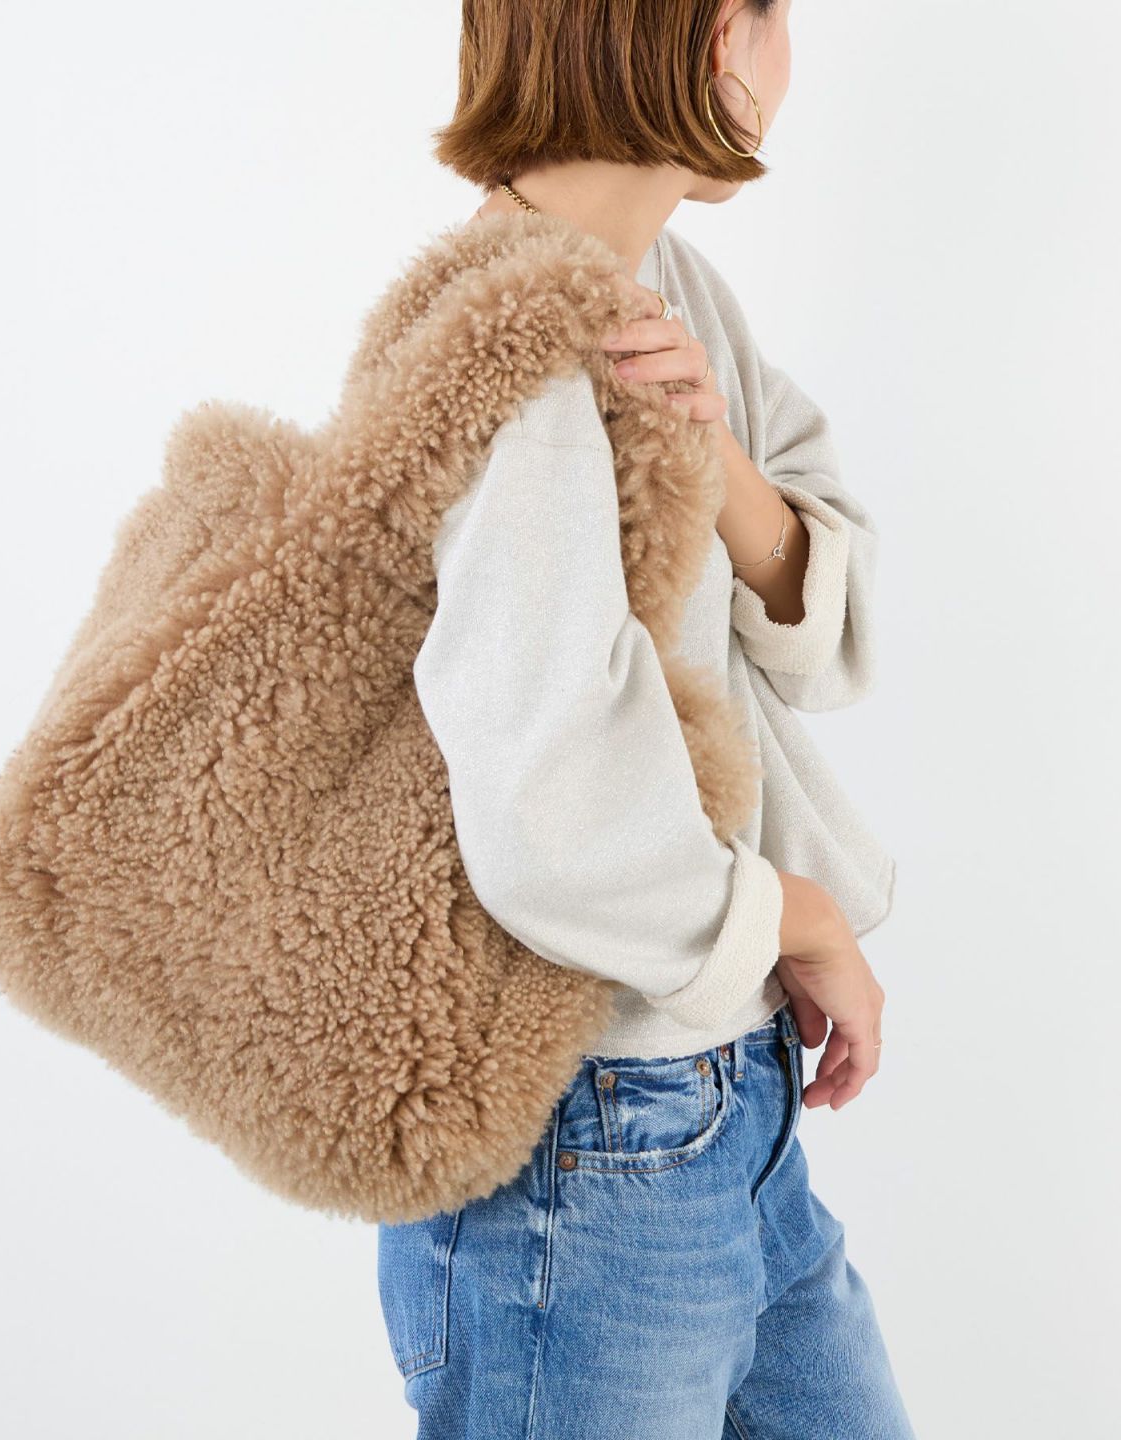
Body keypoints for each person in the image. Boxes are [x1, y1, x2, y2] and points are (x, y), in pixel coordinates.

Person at [375, 1, 915, 1435]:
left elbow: (828, 638)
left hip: (724, 1105)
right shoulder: (511, 339)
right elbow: (547, 809)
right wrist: (796, 918)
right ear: (721, 36)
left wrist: (715, 459)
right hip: (583, 1144)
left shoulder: (668, 285)